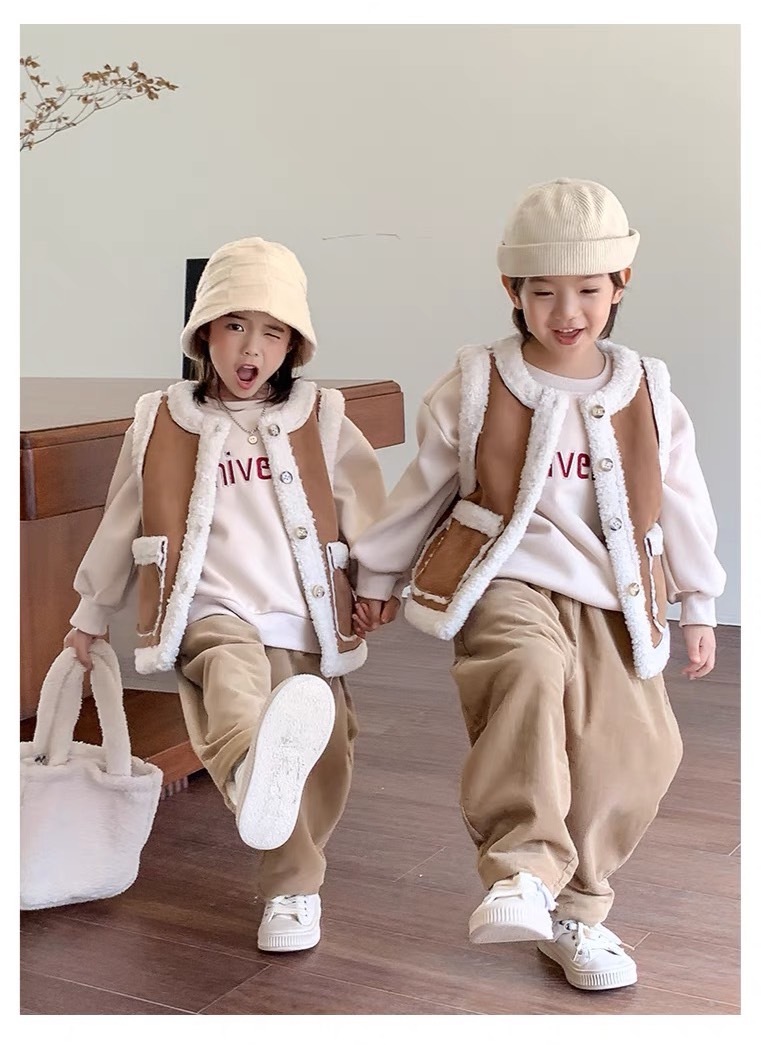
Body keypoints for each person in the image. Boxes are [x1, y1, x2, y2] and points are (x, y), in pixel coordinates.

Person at [351, 179, 726, 991]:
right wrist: (377, 571)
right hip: (502, 578)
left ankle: (574, 910)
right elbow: (422, 486)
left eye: (587, 289)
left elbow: (683, 500)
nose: (566, 311)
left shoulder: (646, 389)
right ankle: (521, 866)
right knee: (525, 672)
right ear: (511, 290)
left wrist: (698, 602)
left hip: (612, 593)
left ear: (620, 284)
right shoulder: (476, 382)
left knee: (639, 746)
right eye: (543, 291)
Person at [65, 236, 389, 953]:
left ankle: (288, 862)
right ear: (204, 331)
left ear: (293, 345)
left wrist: (376, 583)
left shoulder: (321, 417)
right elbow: (123, 518)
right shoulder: (161, 419)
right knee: (231, 682)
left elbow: (367, 506)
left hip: (301, 615)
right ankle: (258, 799)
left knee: (324, 750)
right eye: (236, 325)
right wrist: (91, 611)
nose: (251, 347)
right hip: (208, 607)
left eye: (272, 332)